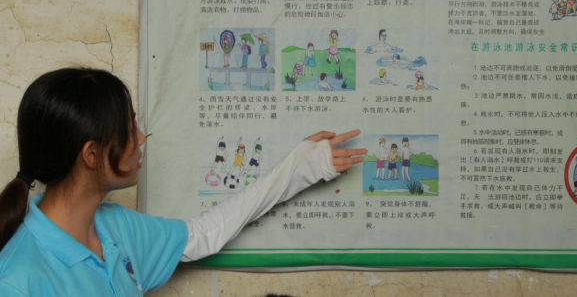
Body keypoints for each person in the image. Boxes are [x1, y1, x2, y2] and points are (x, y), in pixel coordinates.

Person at [0, 69, 365, 296]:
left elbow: (204, 234)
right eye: (128, 128)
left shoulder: (114, 228)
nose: (140, 137)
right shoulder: (17, 281)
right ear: (92, 154)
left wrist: (299, 168)